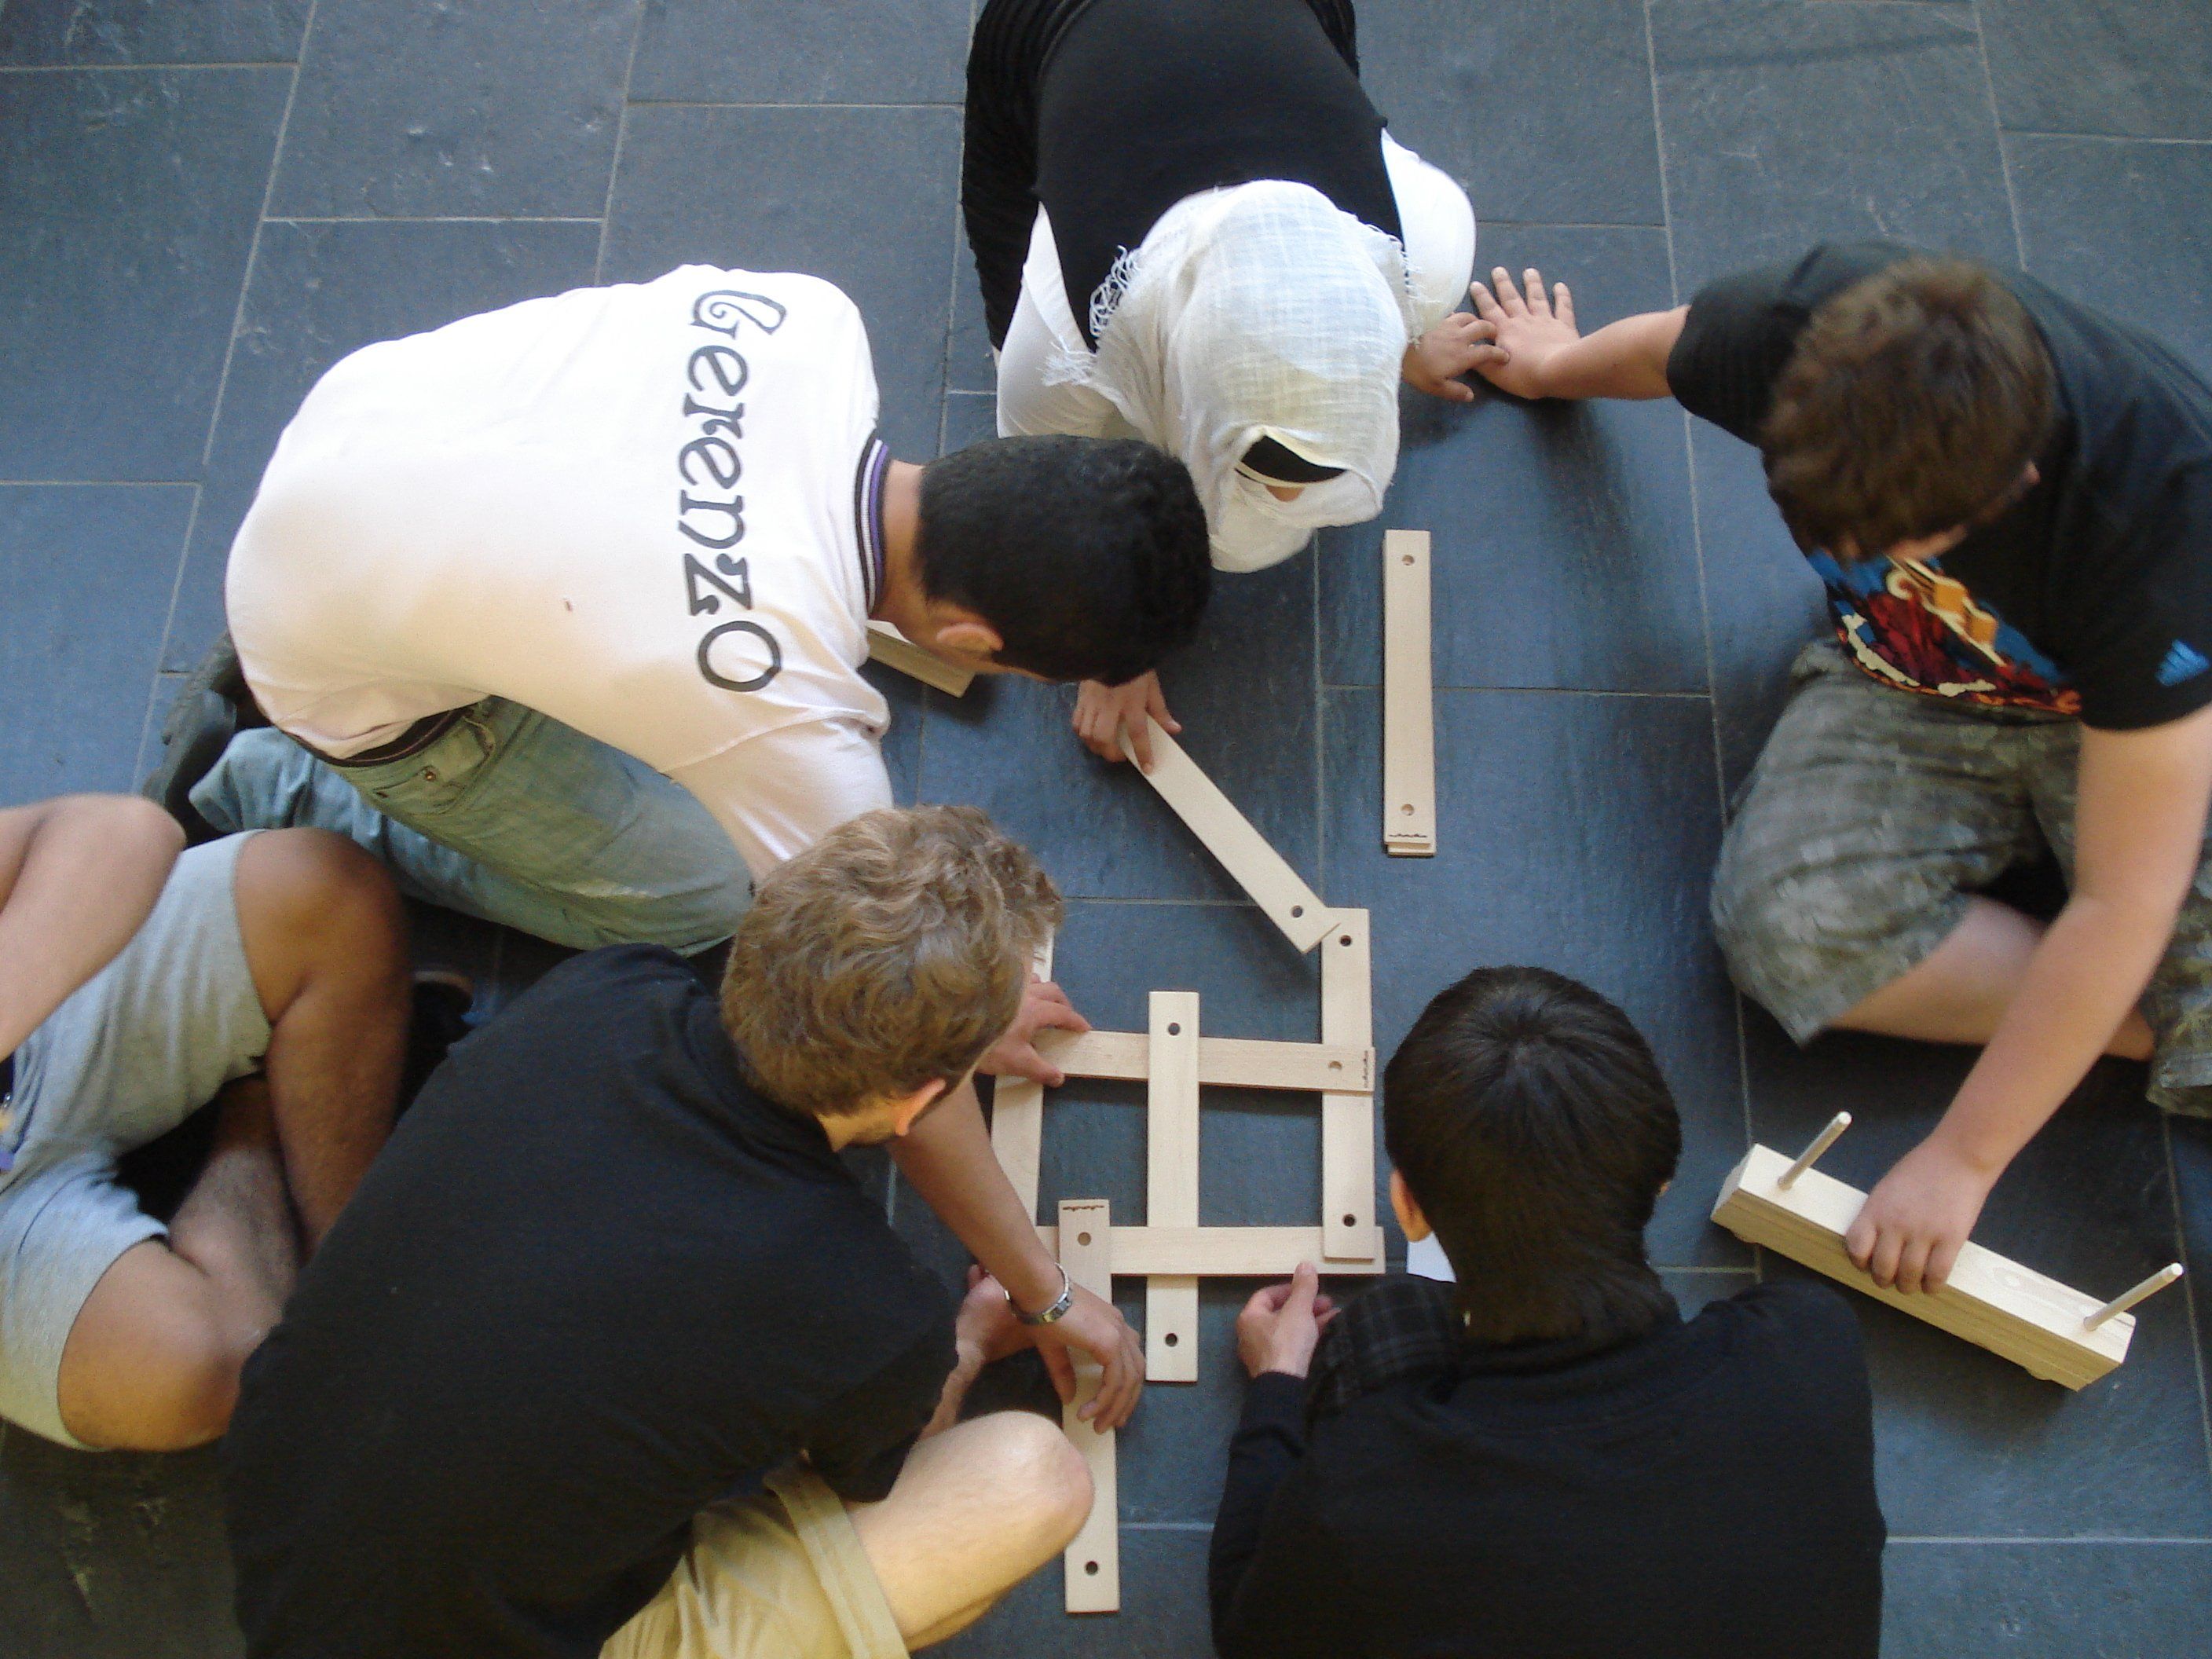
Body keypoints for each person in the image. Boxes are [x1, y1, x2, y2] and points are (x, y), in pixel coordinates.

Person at [1470, 244, 2212, 1295]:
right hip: (1909, 678)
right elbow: (1664, 351)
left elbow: (2120, 899)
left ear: (2014, 485)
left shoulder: (2159, 532)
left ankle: (2119, 1010)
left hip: (2150, 728)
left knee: (2177, 979)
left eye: (1900, 542)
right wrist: (1553, 366)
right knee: (1789, 927)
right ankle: (2122, 1019)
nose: (1858, 556)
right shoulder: (1797, 328)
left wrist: (1964, 1159)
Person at [223, 805, 1106, 1659]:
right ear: (922, 1099)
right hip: (464, 1641)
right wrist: (965, 1341)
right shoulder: (867, 1312)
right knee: (1029, 1480)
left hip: (276, 1506)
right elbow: (866, 1473)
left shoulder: (608, 987)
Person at [152, 263, 1210, 972]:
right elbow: (865, 950)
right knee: (713, 899)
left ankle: (395, 626)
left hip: (346, 447)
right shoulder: (784, 713)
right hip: (340, 676)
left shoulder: (811, 318)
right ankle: (280, 780)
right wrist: (981, 1020)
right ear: (975, 642)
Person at [1210, 965, 1885, 1659]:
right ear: (1661, 1181)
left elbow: (1243, 1634)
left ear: (1407, 1206)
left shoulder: (1361, 1490)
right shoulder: (1808, 1349)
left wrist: (1278, 1386)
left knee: (1386, 1324)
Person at [963, 0, 1496, 766]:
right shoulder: (1061, 354)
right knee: (1009, 228)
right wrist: (1113, 651)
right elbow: (1047, 492)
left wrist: (1398, 343)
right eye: (1259, 474)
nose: (1284, 505)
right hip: (1050, 17)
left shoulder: (1429, 251)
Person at [0, 794, 406, 1453]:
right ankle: (250, 1113)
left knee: (325, 895)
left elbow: (123, 831)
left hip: (37, 1038)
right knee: (205, 1372)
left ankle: (352, 1266)